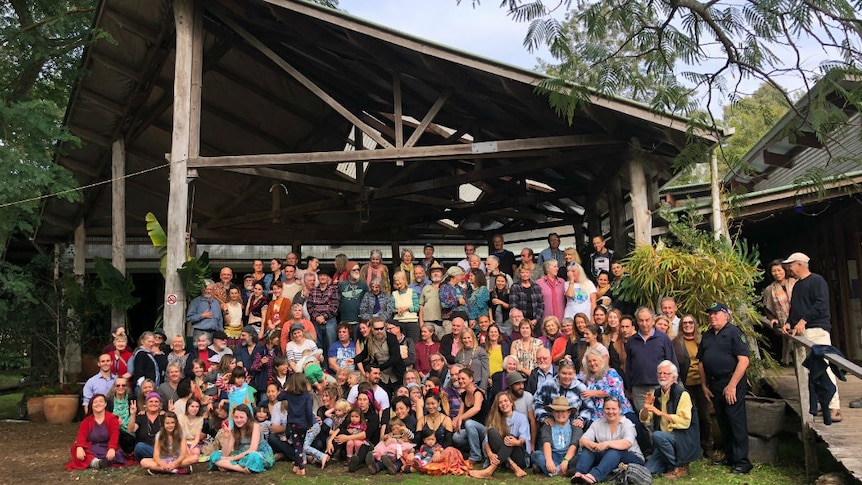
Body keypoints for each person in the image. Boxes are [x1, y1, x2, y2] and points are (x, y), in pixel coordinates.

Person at [783, 252, 843, 422]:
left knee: (825, 366)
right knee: (808, 369)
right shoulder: (797, 285)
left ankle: (834, 406)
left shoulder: (817, 280)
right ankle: (815, 403)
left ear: (800, 264)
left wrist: (804, 320)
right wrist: (789, 322)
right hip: (802, 331)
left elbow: (820, 303)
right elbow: (795, 308)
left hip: (817, 329)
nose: (789, 268)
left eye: (791, 265)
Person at [698, 302, 752, 474]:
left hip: (731, 383)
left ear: (726, 315)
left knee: (735, 421)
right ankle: (730, 457)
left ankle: (743, 461)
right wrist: (704, 385)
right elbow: (701, 362)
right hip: (714, 385)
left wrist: (732, 385)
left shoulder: (734, 333)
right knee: (723, 421)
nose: (712, 316)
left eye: (716, 313)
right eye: (710, 314)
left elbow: (744, 361)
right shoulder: (706, 335)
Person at [640, 360, 701, 479]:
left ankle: (681, 467)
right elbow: (645, 420)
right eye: (660, 373)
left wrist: (660, 413)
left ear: (673, 377)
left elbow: (684, 421)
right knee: (648, 471)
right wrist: (647, 407)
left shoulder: (682, 394)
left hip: (681, 439)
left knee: (657, 435)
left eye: (666, 373)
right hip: (665, 441)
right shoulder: (656, 393)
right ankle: (670, 464)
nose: (662, 376)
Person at [572, 396, 644, 484]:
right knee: (589, 449)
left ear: (620, 410)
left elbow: (627, 443)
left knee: (614, 450)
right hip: (608, 457)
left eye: (614, 409)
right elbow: (582, 440)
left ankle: (594, 476)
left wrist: (606, 444)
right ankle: (580, 473)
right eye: (607, 408)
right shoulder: (597, 423)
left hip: (632, 456)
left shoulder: (627, 424)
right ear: (603, 410)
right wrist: (594, 446)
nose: (610, 412)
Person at [672, 314, 714, 457]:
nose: (688, 325)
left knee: (704, 417)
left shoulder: (702, 340)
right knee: (688, 417)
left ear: (695, 324)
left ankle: (707, 446)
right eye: (685, 323)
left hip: (702, 384)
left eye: (690, 322)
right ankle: (692, 447)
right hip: (685, 385)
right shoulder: (677, 342)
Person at [625, 307, 678, 412]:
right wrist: (629, 387)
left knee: (660, 418)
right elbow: (629, 365)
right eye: (641, 320)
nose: (644, 323)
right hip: (639, 388)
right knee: (645, 420)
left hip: (660, 386)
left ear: (653, 320)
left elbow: (672, 362)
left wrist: (672, 383)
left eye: (647, 320)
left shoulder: (663, 339)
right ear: (637, 321)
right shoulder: (632, 341)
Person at [467, 392, 531, 478]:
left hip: (519, 457)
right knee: (491, 432)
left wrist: (516, 442)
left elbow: (524, 438)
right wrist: (490, 454)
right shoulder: (496, 419)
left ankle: (490, 470)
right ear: (498, 406)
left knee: (511, 437)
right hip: (501, 457)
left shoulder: (521, 417)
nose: (503, 404)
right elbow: (486, 440)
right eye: (500, 402)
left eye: (506, 401)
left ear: (511, 403)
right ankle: (512, 464)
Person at [65, 394, 126, 470]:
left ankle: (95, 462)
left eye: (101, 401)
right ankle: (96, 463)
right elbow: (81, 435)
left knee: (116, 454)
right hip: (92, 447)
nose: (98, 404)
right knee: (75, 448)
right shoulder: (87, 421)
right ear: (91, 405)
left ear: (105, 404)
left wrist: (112, 448)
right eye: (95, 402)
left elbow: (115, 435)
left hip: (107, 447)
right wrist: (80, 447)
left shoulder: (112, 419)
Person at [210, 404, 275, 473]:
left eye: (241, 417)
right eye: (236, 417)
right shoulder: (234, 429)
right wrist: (227, 438)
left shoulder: (255, 426)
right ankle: (243, 469)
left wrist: (232, 458)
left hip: (258, 452)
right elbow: (224, 454)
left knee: (254, 458)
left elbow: (253, 449)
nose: (238, 420)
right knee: (215, 455)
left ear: (248, 417)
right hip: (242, 452)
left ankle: (229, 466)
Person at [531, 396, 580, 477]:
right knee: (536, 454)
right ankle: (562, 471)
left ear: (569, 412)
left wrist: (566, 460)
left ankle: (550, 470)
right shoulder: (548, 425)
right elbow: (546, 442)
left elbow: (574, 445)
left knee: (582, 456)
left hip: (569, 456)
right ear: (553, 413)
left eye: (563, 411)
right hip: (553, 455)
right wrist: (549, 461)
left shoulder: (574, 425)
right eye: (557, 411)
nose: (560, 414)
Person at [762, 259, 796, 365]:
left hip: (798, 320)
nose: (777, 273)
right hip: (783, 323)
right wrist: (772, 318)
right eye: (774, 271)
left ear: (785, 270)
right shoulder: (770, 289)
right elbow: (767, 307)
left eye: (779, 270)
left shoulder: (795, 283)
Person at [452, 367, 487, 463]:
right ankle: (477, 447)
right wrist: (455, 421)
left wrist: (461, 419)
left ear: (471, 379)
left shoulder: (478, 393)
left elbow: (476, 408)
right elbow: (460, 413)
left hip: (484, 429)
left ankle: (475, 456)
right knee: (456, 437)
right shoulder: (463, 395)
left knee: (469, 423)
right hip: (471, 430)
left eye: (463, 378)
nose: (460, 381)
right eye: (459, 379)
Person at [128, 392, 164, 461]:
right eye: (150, 401)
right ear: (145, 404)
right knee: (139, 447)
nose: (153, 403)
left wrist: (172, 414)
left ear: (160, 405)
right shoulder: (141, 417)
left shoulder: (163, 417)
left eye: (156, 401)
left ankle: (157, 459)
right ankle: (162, 458)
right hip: (144, 448)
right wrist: (133, 414)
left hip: (161, 448)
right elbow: (131, 430)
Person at [391, 270, 421, 343]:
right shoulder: (394, 294)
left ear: (404, 280)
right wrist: (396, 310)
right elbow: (391, 309)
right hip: (399, 323)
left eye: (399, 280)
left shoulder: (412, 292)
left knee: (413, 345)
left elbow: (417, 307)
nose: (397, 282)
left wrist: (407, 308)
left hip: (412, 323)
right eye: (395, 281)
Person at [419, 261, 445, 338]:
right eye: (433, 272)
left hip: (442, 322)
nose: (435, 274)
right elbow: (421, 306)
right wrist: (421, 322)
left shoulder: (446, 287)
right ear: (430, 275)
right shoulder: (426, 288)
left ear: (442, 274)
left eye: (438, 271)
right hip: (427, 322)